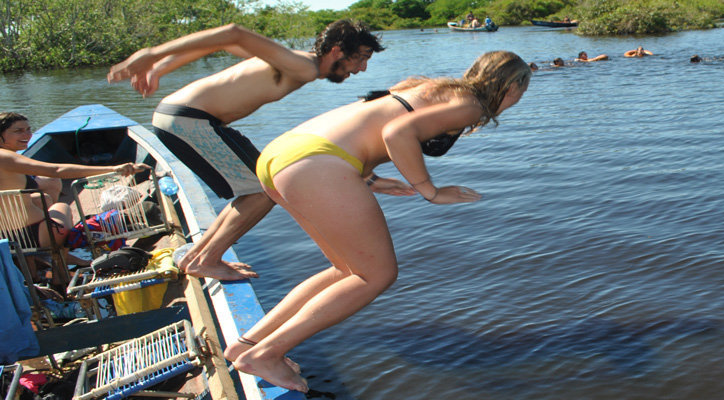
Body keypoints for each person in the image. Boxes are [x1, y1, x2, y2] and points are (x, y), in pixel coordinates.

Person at [222, 50, 532, 393]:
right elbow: (398, 132)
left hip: (286, 153)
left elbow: (369, 121)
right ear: (511, 85)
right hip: (317, 162)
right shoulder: (472, 104)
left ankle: (248, 345)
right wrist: (430, 190)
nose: (519, 98)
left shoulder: (429, 87)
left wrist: (371, 179)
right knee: (377, 275)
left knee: (345, 270)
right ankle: (268, 354)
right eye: (522, 89)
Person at [107, 20, 384, 281]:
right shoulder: (304, 66)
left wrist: (162, 67)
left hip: (189, 119)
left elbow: (221, 44)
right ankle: (207, 260)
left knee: (263, 185)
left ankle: (198, 256)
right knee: (261, 193)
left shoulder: (290, 59)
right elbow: (233, 32)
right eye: (360, 57)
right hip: (189, 120)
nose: (361, 69)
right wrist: (152, 55)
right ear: (336, 51)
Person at [0, 112, 149, 270]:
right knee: (61, 207)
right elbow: (57, 170)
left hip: (5, 239)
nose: (27, 135)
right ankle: (60, 261)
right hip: (34, 236)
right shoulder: (7, 158)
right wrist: (114, 169)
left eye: (29, 129)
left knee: (42, 198)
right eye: (18, 131)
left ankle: (35, 263)